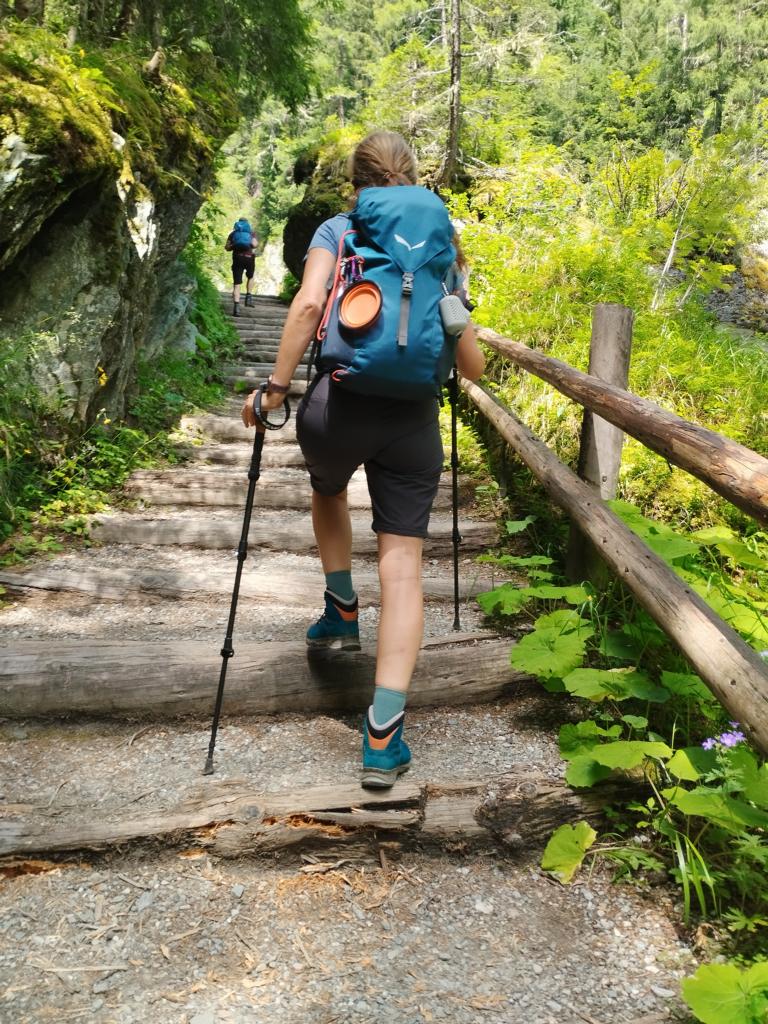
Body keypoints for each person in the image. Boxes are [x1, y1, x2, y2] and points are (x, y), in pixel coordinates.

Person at [242, 131, 485, 788]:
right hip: (412, 424)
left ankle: (340, 607)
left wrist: (274, 389)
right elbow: (473, 364)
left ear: (357, 182)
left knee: (327, 487)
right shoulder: (443, 245)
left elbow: (313, 304)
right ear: (413, 178)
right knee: (404, 570)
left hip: (337, 408)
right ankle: (382, 738)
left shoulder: (340, 228)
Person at [225, 217, 258, 316]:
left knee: (237, 284)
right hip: (249, 258)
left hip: (237, 258)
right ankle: (248, 298)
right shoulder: (251, 233)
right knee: (250, 277)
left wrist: (234, 246)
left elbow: (227, 247)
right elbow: (255, 244)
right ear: (247, 223)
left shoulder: (233, 234)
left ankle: (236, 308)